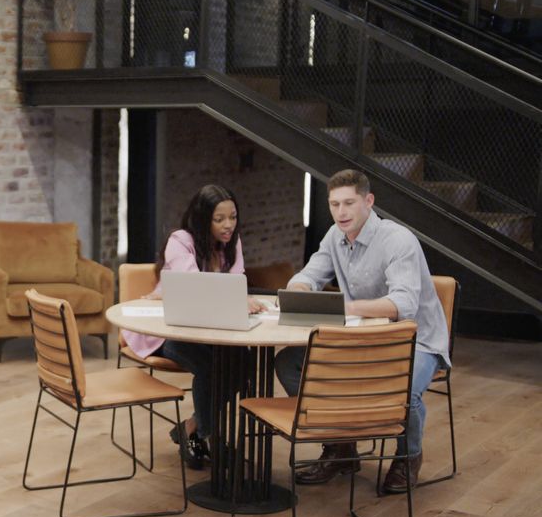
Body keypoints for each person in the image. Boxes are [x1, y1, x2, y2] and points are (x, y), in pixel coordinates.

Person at [275, 169, 449, 493]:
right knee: (289, 363)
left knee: (403, 389)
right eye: (334, 204)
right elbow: (307, 276)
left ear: (368, 202)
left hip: (416, 340)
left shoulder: (398, 240)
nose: (341, 212)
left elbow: (404, 303)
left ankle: (408, 456)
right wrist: (299, 289)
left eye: (349, 203)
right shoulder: (333, 237)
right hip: (360, 337)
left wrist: (347, 308)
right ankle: (340, 447)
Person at [122, 184, 265, 470]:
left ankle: (191, 429)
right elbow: (196, 288)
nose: (228, 225)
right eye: (219, 219)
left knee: (245, 364)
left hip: (209, 330)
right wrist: (234, 297)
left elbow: (233, 286)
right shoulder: (181, 240)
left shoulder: (232, 243)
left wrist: (241, 297)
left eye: (233, 217)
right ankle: (211, 438)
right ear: (203, 219)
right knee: (212, 367)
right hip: (167, 330)